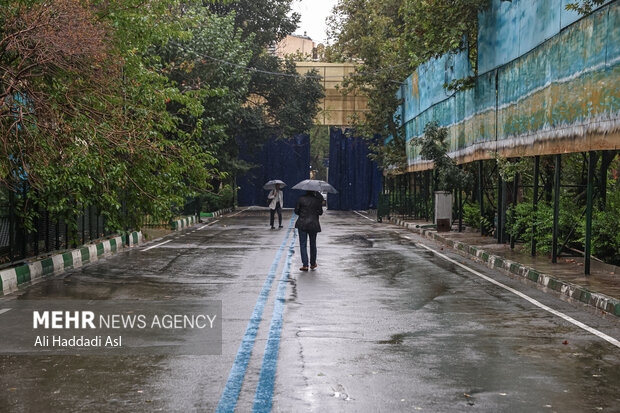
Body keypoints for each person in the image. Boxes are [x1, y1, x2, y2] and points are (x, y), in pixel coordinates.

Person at [294, 191, 324, 271]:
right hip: (313, 224)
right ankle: (313, 263)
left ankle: (305, 265)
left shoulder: (301, 199)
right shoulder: (317, 200)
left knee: (303, 244)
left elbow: (296, 211)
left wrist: (303, 212)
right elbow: (320, 212)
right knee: (313, 244)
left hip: (302, 224)